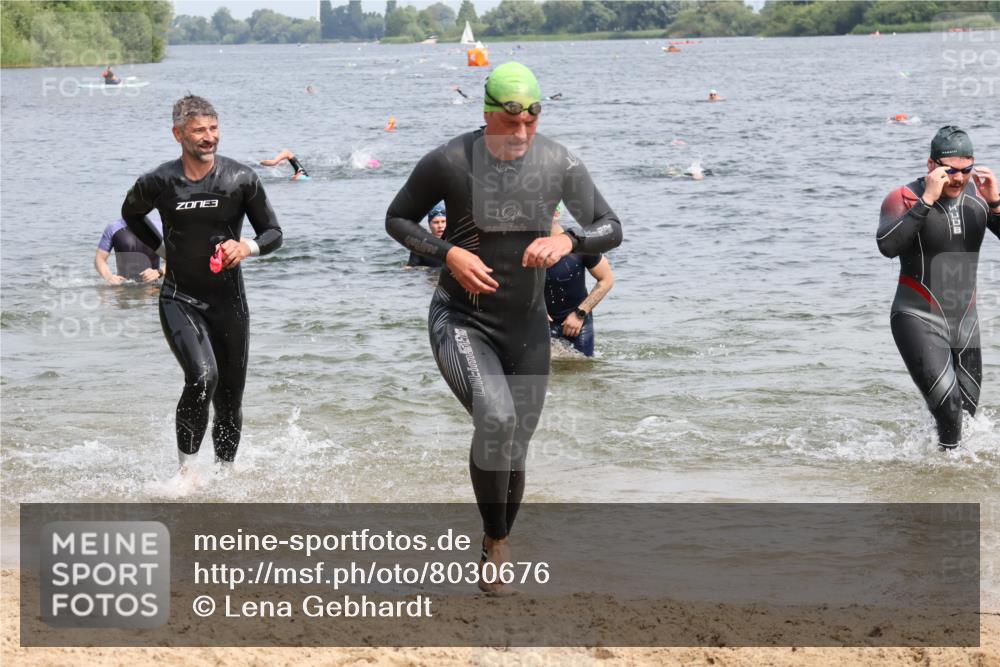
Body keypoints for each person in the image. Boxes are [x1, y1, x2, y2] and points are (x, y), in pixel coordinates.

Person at [386, 62, 622, 593]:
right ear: (488, 114)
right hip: (462, 319)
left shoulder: (557, 161)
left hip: (527, 328)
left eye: (530, 124)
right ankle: (499, 544)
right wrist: (448, 255)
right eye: (509, 124)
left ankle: (495, 536)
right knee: (495, 419)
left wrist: (571, 242)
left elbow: (611, 227)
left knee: (515, 443)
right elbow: (397, 219)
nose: (519, 135)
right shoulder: (449, 160)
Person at [121, 95, 283, 471]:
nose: (208, 137)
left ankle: (225, 477)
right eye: (198, 131)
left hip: (230, 303)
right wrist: (164, 249)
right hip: (180, 297)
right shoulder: (158, 181)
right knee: (201, 378)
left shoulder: (241, 179)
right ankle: (186, 474)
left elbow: (274, 233)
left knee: (229, 398)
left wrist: (248, 247)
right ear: (178, 134)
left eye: (213, 129)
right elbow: (131, 214)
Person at [877, 125, 1000, 451]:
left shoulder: (980, 198)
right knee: (949, 412)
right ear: (931, 165)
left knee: (968, 417)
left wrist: (997, 205)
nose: (958, 179)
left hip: (966, 322)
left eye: (966, 170)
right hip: (916, 317)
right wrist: (927, 200)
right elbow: (888, 246)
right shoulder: (904, 197)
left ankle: (939, 473)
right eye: (950, 171)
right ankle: (942, 485)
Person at [545, 206, 615, 357]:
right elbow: (511, 284)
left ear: (556, 213)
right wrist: (535, 310)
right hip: (540, 322)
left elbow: (606, 279)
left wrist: (580, 314)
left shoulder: (579, 242)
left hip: (578, 323)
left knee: (581, 371)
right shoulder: (525, 247)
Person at [95, 210, 165, 284]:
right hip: (123, 288)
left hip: (152, 288)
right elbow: (100, 259)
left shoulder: (160, 227)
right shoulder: (113, 228)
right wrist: (109, 277)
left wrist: (159, 272)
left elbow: (175, 259)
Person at [406, 205, 447, 269]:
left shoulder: (455, 241)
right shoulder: (420, 245)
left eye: (443, 222)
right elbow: (410, 269)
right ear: (429, 224)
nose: (440, 226)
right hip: (429, 276)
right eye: (436, 222)